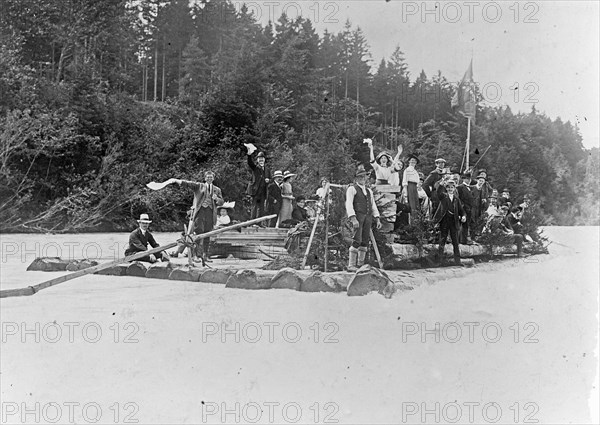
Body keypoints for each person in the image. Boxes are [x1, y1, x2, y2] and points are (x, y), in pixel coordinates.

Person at [171, 171, 224, 263]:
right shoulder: (199, 186)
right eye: (207, 177)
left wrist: (217, 199)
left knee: (208, 233)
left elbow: (221, 202)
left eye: (211, 177)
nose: (209, 179)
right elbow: (188, 184)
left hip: (210, 213)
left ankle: (205, 255)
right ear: (204, 178)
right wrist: (177, 181)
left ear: (213, 179)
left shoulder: (217, 189)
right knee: (198, 232)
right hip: (200, 212)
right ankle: (195, 255)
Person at [345, 165, 382, 271]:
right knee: (357, 239)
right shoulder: (352, 189)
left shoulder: (369, 191)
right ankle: (351, 265)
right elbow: (349, 204)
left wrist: (377, 218)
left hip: (368, 217)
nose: (362, 179)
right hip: (358, 217)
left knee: (365, 241)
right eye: (360, 177)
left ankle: (360, 264)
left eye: (364, 177)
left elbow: (373, 205)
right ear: (356, 179)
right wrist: (353, 218)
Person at [432, 178, 467, 265]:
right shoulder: (443, 196)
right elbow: (438, 192)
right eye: (448, 187)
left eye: (452, 187)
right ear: (446, 188)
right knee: (442, 240)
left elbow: (462, 210)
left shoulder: (456, 199)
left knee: (455, 241)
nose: (450, 189)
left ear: (454, 188)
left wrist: (463, 216)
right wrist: (441, 183)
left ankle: (457, 261)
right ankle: (440, 261)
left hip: (453, 221)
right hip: (444, 221)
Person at [246, 148, 271, 220]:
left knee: (261, 207)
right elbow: (250, 163)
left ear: (264, 160)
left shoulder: (267, 170)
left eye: (262, 158)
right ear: (257, 160)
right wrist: (249, 154)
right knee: (254, 206)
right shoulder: (255, 168)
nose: (261, 160)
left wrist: (268, 180)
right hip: (255, 191)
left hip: (263, 191)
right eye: (259, 158)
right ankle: (252, 222)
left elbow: (272, 179)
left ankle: (259, 222)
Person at [401, 153, 420, 220]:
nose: (413, 162)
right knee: (411, 204)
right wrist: (405, 191)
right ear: (409, 161)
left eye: (414, 161)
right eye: (411, 160)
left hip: (415, 188)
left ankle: (416, 221)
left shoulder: (415, 171)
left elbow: (418, 182)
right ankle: (411, 222)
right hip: (409, 187)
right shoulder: (407, 170)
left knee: (416, 204)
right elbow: (405, 182)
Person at [456, 172, 474, 244]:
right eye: (467, 178)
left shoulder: (470, 188)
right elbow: (458, 199)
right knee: (461, 225)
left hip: (469, 209)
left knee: (466, 225)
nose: (469, 180)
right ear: (464, 179)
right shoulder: (460, 187)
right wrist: (462, 208)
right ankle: (459, 241)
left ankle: (464, 241)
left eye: (469, 179)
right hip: (463, 209)